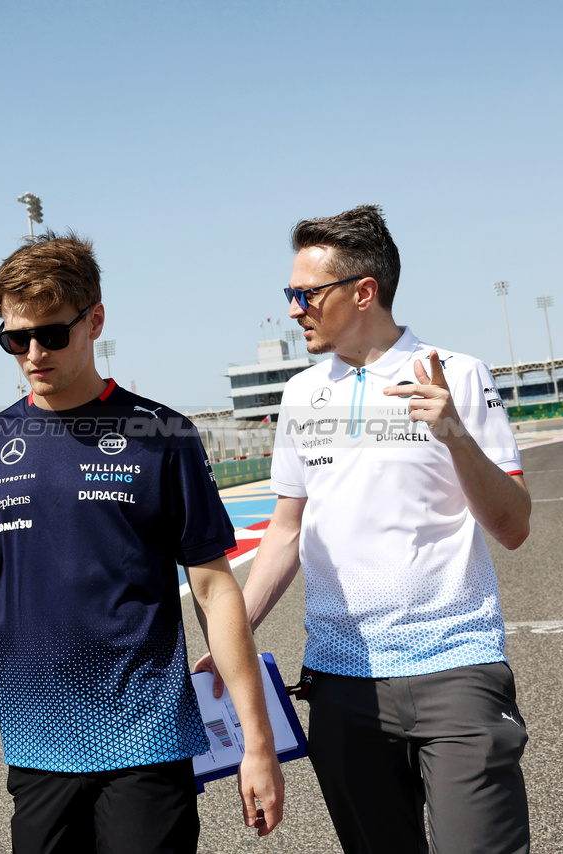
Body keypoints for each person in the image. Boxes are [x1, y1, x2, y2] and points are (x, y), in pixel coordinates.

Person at [0, 232, 285, 853]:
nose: (33, 353)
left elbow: (212, 586)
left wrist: (256, 745)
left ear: (95, 319)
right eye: (15, 339)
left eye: (51, 334)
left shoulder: (161, 434)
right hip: (37, 741)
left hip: (148, 739)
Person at [198, 204, 532, 853]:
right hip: (341, 686)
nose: (295, 308)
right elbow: (286, 533)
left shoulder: (456, 374)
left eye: (305, 293)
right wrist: (232, 633)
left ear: (363, 291)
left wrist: (456, 436)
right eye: (289, 293)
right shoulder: (299, 395)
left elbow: (514, 526)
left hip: (457, 670)